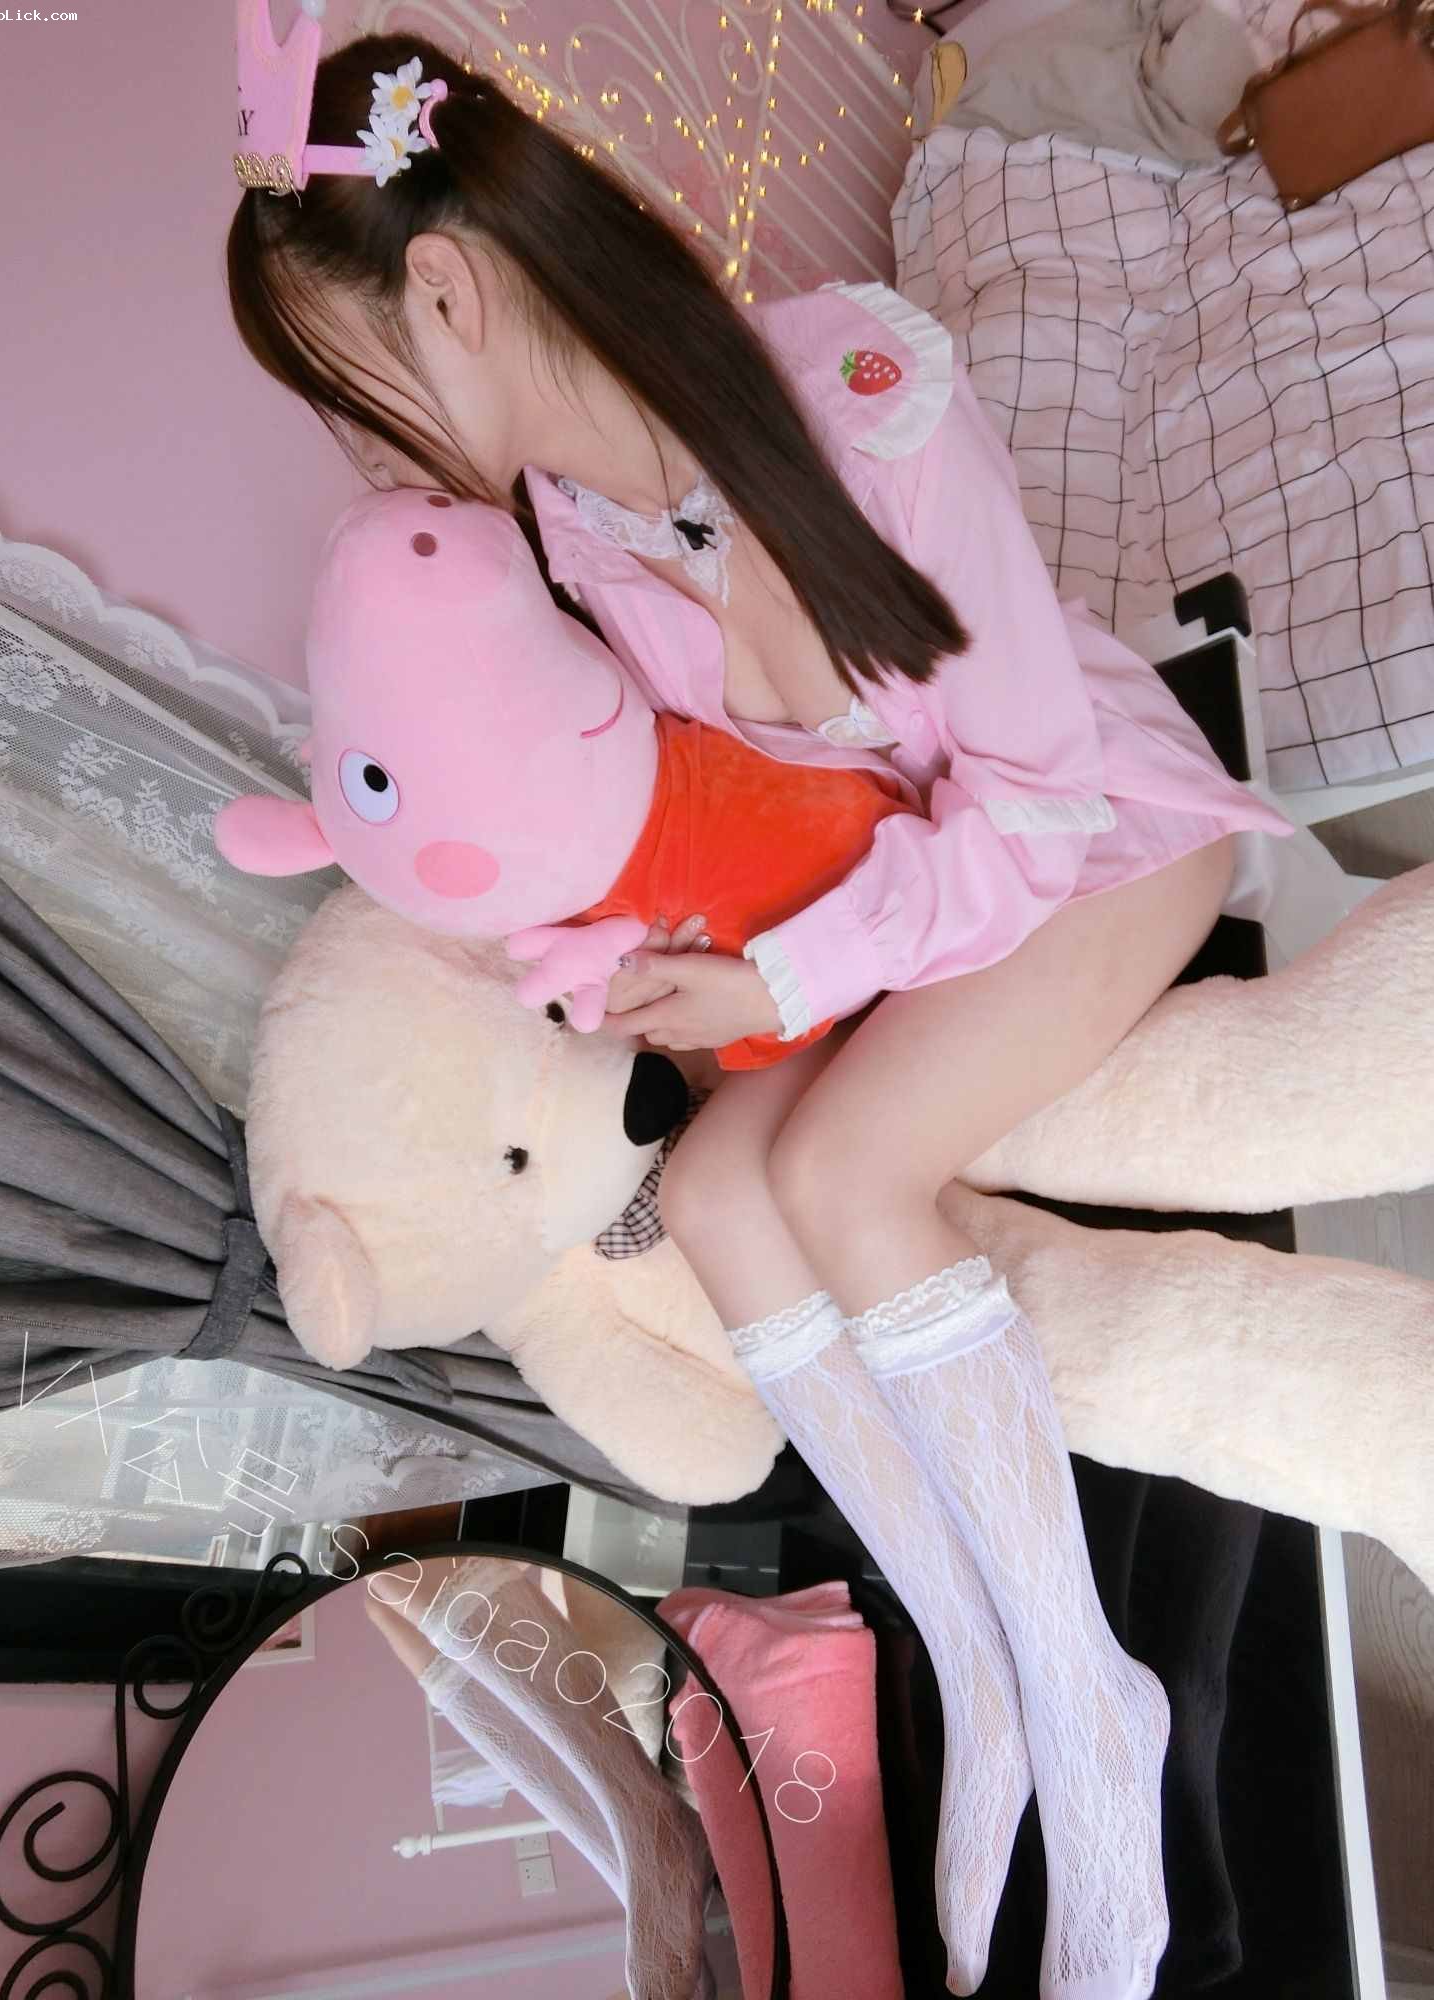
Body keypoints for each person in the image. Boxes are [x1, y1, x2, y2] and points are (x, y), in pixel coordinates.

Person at [227, 33, 1295, 1999]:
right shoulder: (571, 537)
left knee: (844, 1174)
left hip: (1090, 840)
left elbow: (1032, 793)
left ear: (445, 293)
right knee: (722, 1194)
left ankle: (1092, 1701)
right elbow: (694, 807)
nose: (359, 457)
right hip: (899, 893)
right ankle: (979, 1669)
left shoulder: (861, 401)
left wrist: (786, 978)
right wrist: (627, 950)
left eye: (343, 385)